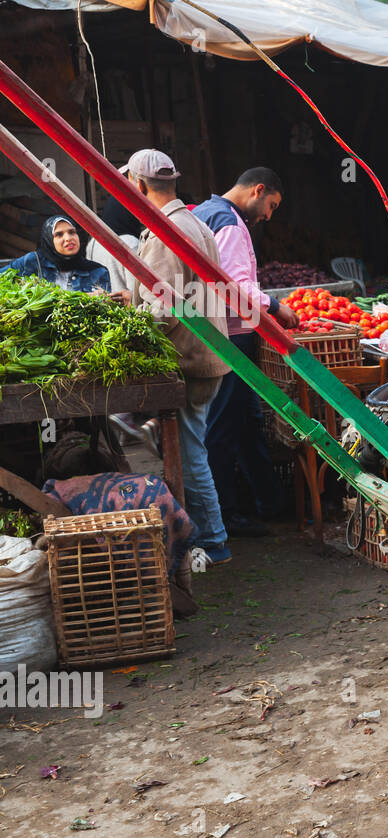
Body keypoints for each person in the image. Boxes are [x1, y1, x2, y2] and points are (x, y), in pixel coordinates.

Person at [124, 148, 232, 568]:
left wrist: (129, 330)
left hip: (190, 357)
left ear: (138, 185)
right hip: (205, 352)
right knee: (191, 446)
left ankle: (214, 541)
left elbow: (162, 307)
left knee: (190, 454)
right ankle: (209, 535)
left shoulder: (168, 232)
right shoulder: (191, 222)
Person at [193, 168, 297, 543]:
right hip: (230, 337)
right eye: (270, 205)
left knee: (245, 420)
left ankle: (267, 501)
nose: (269, 216)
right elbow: (234, 287)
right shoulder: (231, 223)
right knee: (223, 427)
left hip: (215, 332)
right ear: (257, 191)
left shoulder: (205, 211)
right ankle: (226, 514)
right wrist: (275, 306)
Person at [6, 215, 121, 298]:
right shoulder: (32, 262)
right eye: (59, 234)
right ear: (49, 240)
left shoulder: (97, 271)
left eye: (72, 232)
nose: (68, 238)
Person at [85, 193, 144, 295]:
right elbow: (135, 288)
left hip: (102, 306)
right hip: (126, 307)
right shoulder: (130, 243)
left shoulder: (94, 242)